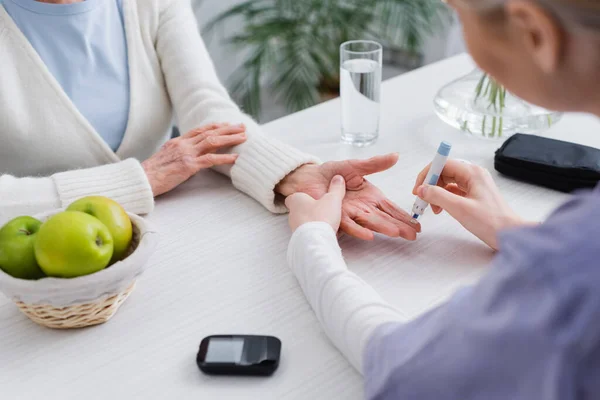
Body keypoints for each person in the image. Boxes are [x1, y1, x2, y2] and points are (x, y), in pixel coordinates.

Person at [285, 0, 600, 398]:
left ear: (534, 32)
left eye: (458, 15)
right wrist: (513, 230)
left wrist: (312, 241)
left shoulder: (573, 265)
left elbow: (404, 369)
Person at [0, 0, 420, 243]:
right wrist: (140, 181)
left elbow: (205, 109)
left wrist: (295, 174)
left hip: (170, 238)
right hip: (30, 271)